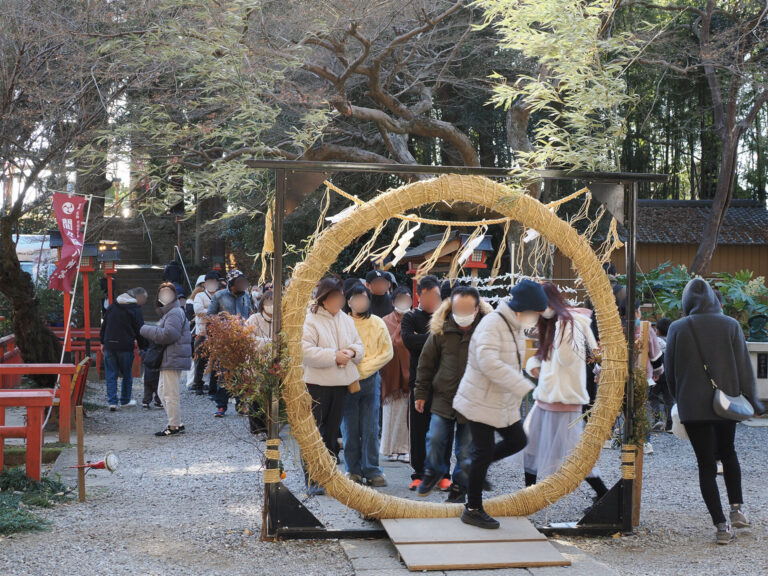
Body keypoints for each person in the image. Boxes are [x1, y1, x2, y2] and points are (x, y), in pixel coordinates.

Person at [665, 278, 765, 545]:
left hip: (692, 407)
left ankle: (721, 526)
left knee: (706, 464)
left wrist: (679, 399)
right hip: (726, 403)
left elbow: (670, 372)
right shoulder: (730, 325)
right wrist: (754, 401)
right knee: (728, 453)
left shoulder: (677, 328)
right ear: (712, 299)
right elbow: (744, 368)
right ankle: (737, 510)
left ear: (687, 302)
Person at [453, 279, 548, 529]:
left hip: (500, 401)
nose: (536, 318)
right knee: (483, 452)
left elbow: (513, 360)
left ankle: (473, 467)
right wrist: (520, 384)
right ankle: (472, 508)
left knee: (518, 441)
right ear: (523, 308)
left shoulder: (514, 326)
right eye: (536, 313)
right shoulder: (493, 324)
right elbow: (488, 361)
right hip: (480, 400)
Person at [522, 283, 608, 500]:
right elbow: (545, 357)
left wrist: (561, 330)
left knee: (575, 454)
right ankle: (529, 495)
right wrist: (535, 365)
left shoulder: (568, 323)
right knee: (531, 444)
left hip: (565, 398)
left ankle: (604, 494)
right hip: (548, 396)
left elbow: (567, 358)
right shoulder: (555, 322)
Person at [415, 285, 491, 504]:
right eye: (458, 309)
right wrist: (421, 392)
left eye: (467, 309)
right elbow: (426, 363)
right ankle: (434, 471)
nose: (462, 314)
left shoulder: (488, 331)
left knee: (466, 448)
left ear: (476, 309)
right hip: (443, 396)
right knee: (435, 437)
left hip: (473, 399)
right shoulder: (440, 329)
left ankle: (459, 487)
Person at [302, 277, 364, 496]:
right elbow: (305, 352)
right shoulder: (310, 319)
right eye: (336, 297)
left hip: (341, 383)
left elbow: (358, 345)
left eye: (341, 298)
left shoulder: (345, 319)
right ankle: (312, 478)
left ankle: (328, 477)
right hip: (316, 383)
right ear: (324, 298)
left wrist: (352, 352)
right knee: (314, 433)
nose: (340, 302)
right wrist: (334, 356)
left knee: (331, 433)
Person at [343, 282, 393, 487]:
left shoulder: (377, 323)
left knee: (371, 427)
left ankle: (372, 469)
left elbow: (387, 353)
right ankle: (352, 470)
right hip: (346, 380)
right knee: (349, 428)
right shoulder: (342, 322)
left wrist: (364, 369)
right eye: (356, 298)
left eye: (364, 298)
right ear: (348, 301)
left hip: (371, 379)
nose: (360, 302)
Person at [401, 275, 446, 491]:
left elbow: (449, 344)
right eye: (428, 296)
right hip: (418, 382)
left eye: (436, 296)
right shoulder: (410, 317)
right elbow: (409, 341)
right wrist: (435, 337)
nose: (433, 301)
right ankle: (419, 473)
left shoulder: (447, 317)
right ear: (420, 296)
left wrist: (423, 337)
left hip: (444, 382)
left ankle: (442, 473)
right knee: (419, 430)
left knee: (443, 429)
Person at [140, 282, 192, 437]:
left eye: (168, 292)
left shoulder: (174, 313)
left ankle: (174, 425)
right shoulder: (171, 312)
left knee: (169, 393)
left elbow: (169, 335)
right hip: (170, 357)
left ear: (175, 295)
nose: (165, 296)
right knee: (163, 392)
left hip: (172, 357)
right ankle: (176, 422)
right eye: (162, 293)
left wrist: (145, 329)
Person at [208, 269, 252, 417]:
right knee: (224, 374)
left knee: (242, 374)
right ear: (232, 283)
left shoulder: (246, 296)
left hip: (242, 340)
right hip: (225, 341)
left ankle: (241, 405)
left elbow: (251, 313)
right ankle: (221, 406)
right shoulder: (219, 296)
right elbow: (210, 316)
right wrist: (220, 329)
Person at [100, 287, 148, 411]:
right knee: (127, 373)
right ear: (138, 297)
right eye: (144, 299)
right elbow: (140, 329)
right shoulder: (134, 309)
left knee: (111, 373)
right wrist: (143, 346)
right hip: (125, 345)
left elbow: (104, 325)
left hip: (109, 344)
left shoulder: (113, 306)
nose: (144, 302)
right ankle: (125, 400)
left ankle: (112, 402)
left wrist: (102, 342)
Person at [379, 286, 413, 462]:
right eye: (400, 299)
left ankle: (407, 448)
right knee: (391, 412)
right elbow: (383, 345)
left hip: (410, 372)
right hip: (390, 374)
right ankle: (391, 448)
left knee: (408, 413)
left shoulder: (415, 319)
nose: (404, 303)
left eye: (407, 299)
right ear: (393, 302)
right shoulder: (384, 321)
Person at [191, 272, 220, 396]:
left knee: (215, 361)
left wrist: (208, 312)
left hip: (217, 333)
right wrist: (215, 313)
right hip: (202, 332)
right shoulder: (200, 295)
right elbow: (198, 310)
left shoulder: (220, 295)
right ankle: (197, 384)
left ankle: (213, 387)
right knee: (200, 360)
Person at [648, 317, 674, 432]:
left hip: (656, 374)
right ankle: (670, 425)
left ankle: (657, 419)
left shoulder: (656, 342)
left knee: (653, 397)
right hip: (669, 376)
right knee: (669, 400)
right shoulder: (672, 342)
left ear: (657, 330)